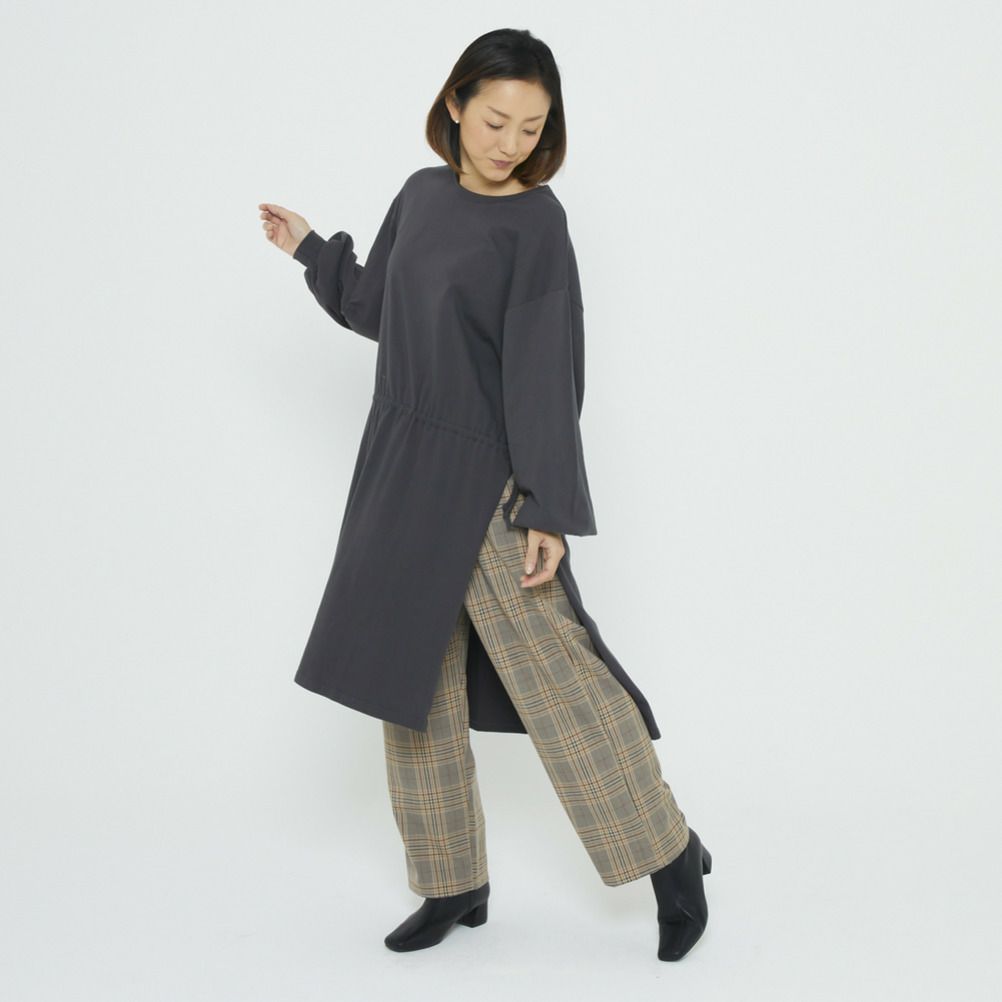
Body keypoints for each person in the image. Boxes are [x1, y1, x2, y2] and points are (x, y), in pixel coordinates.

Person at [259, 27, 712, 962]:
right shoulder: (421, 195)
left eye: (531, 127)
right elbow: (378, 308)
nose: (510, 142)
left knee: (558, 679)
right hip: (398, 468)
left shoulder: (537, 224)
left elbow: (546, 368)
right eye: (495, 119)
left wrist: (544, 503)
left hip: (486, 478)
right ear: (456, 104)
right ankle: (452, 880)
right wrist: (309, 248)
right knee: (410, 686)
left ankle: (669, 855)